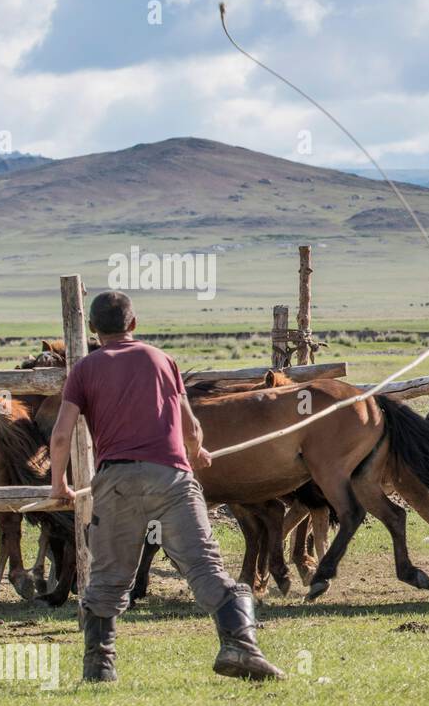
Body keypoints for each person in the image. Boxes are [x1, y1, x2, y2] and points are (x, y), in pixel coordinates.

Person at [49, 290, 284, 683]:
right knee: (205, 567)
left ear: (92, 329)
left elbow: (60, 435)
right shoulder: (162, 360)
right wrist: (198, 452)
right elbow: (190, 426)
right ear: (134, 324)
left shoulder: (85, 369)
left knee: (107, 577)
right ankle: (241, 648)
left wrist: (59, 484)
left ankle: (99, 669)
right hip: (171, 478)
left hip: (115, 481)